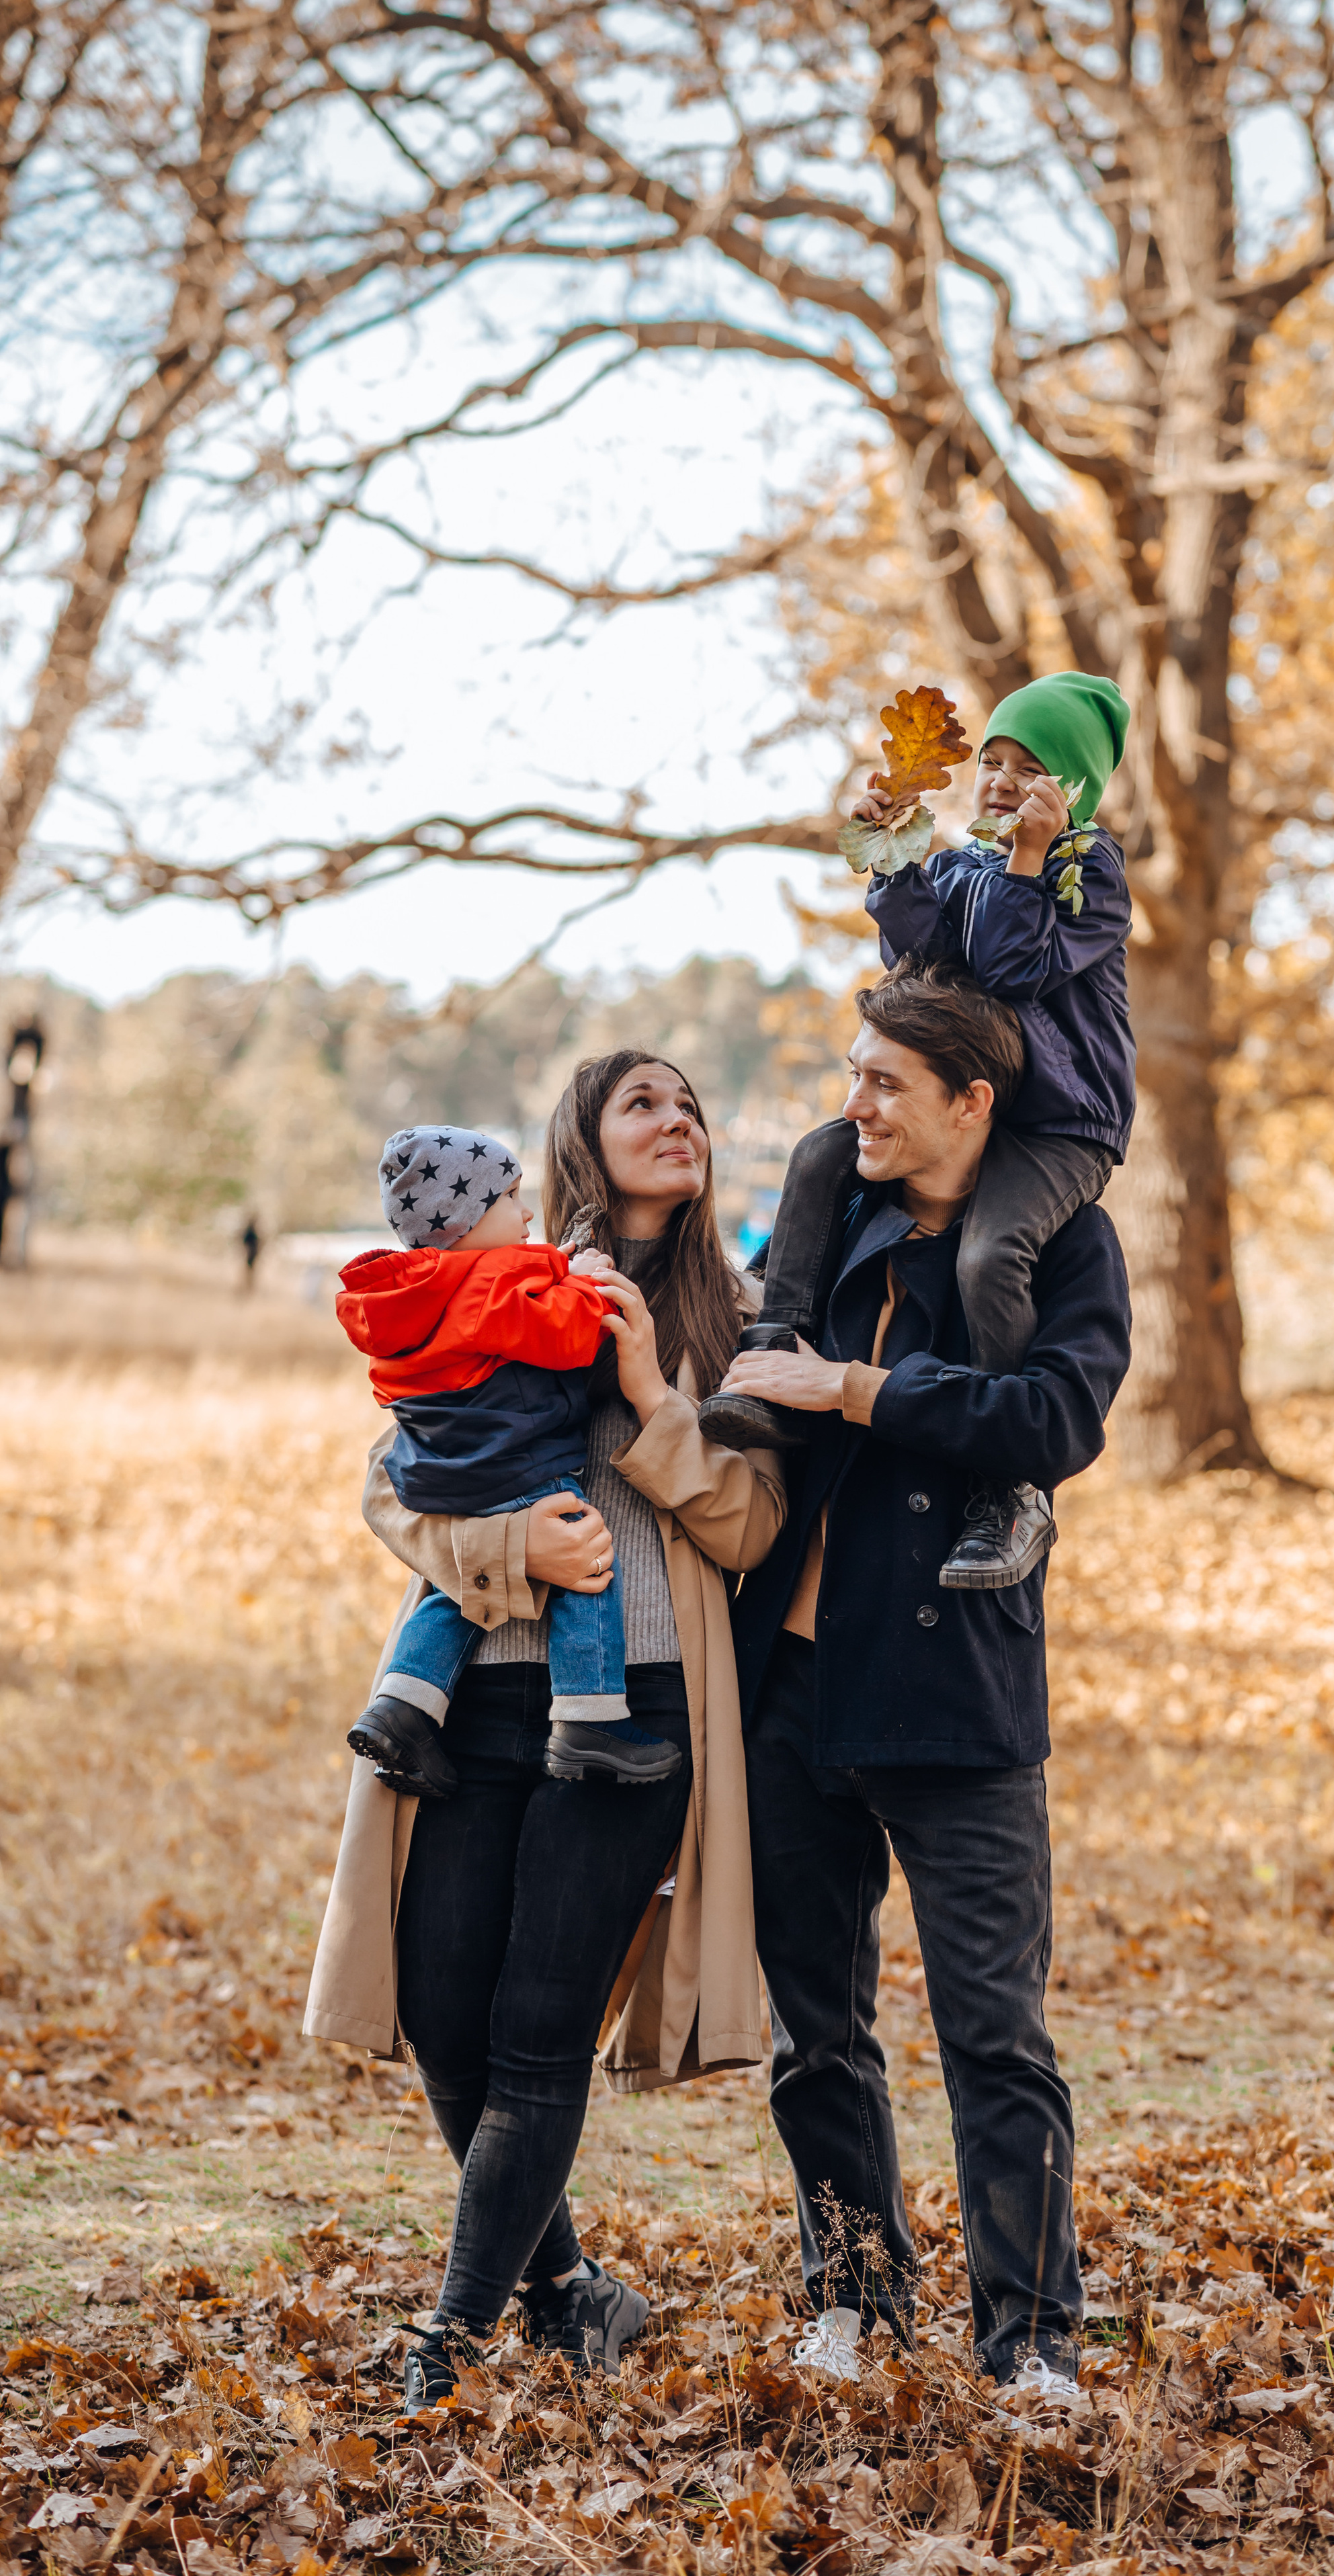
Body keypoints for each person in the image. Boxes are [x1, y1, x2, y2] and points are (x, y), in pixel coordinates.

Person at [302, 1052, 786, 2411]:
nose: (676, 1119)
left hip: (628, 1708)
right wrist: (511, 1539)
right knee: (447, 2012)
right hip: (479, 1694)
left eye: (693, 1102)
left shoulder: (732, 1312)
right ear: (579, 1135)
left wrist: (646, 1396)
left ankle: (445, 2346)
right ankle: (570, 2290)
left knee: (535, 2028)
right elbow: (392, 1486)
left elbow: (750, 1525)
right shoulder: (491, 1270)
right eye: (644, 1101)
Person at [718, 959, 1132, 2403]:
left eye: (884, 1084)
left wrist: (864, 1390)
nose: (854, 1106)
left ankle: (1029, 2341)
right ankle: (851, 2294)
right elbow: (751, 1339)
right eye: (850, 1078)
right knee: (813, 2028)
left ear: (972, 1101)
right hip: (792, 1689)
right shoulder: (839, 1214)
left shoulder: (1066, 1247)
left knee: (993, 2037)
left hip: (958, 1697)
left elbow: (1053, 1417)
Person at [701, 672, 1134, 1595]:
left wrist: (1029, 858)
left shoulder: (1085, 870)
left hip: (1063, 1123)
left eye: (1035, 769)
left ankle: (1008, 1489)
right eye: (995, 762)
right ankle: (772, 1346)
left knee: (989, 1255)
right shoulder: (969, 864)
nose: (1006, 781)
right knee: (822, 1149)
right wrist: (898, 851)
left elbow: (1015, 970)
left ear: (1078, 793)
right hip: (985, 1105)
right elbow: (917, 961)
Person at [335, 1124, 677, 1793]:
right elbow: (569, 1338)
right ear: (465, 1219)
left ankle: (402, 1710)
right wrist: (581, 1284)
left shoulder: (410, 1292)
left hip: (446, 1470)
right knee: (585, 1564)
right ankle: (590, 1718)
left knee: (460, 1593)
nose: (527, 1215)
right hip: (517, 1460)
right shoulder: (486, 1284)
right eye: (512, 1198)